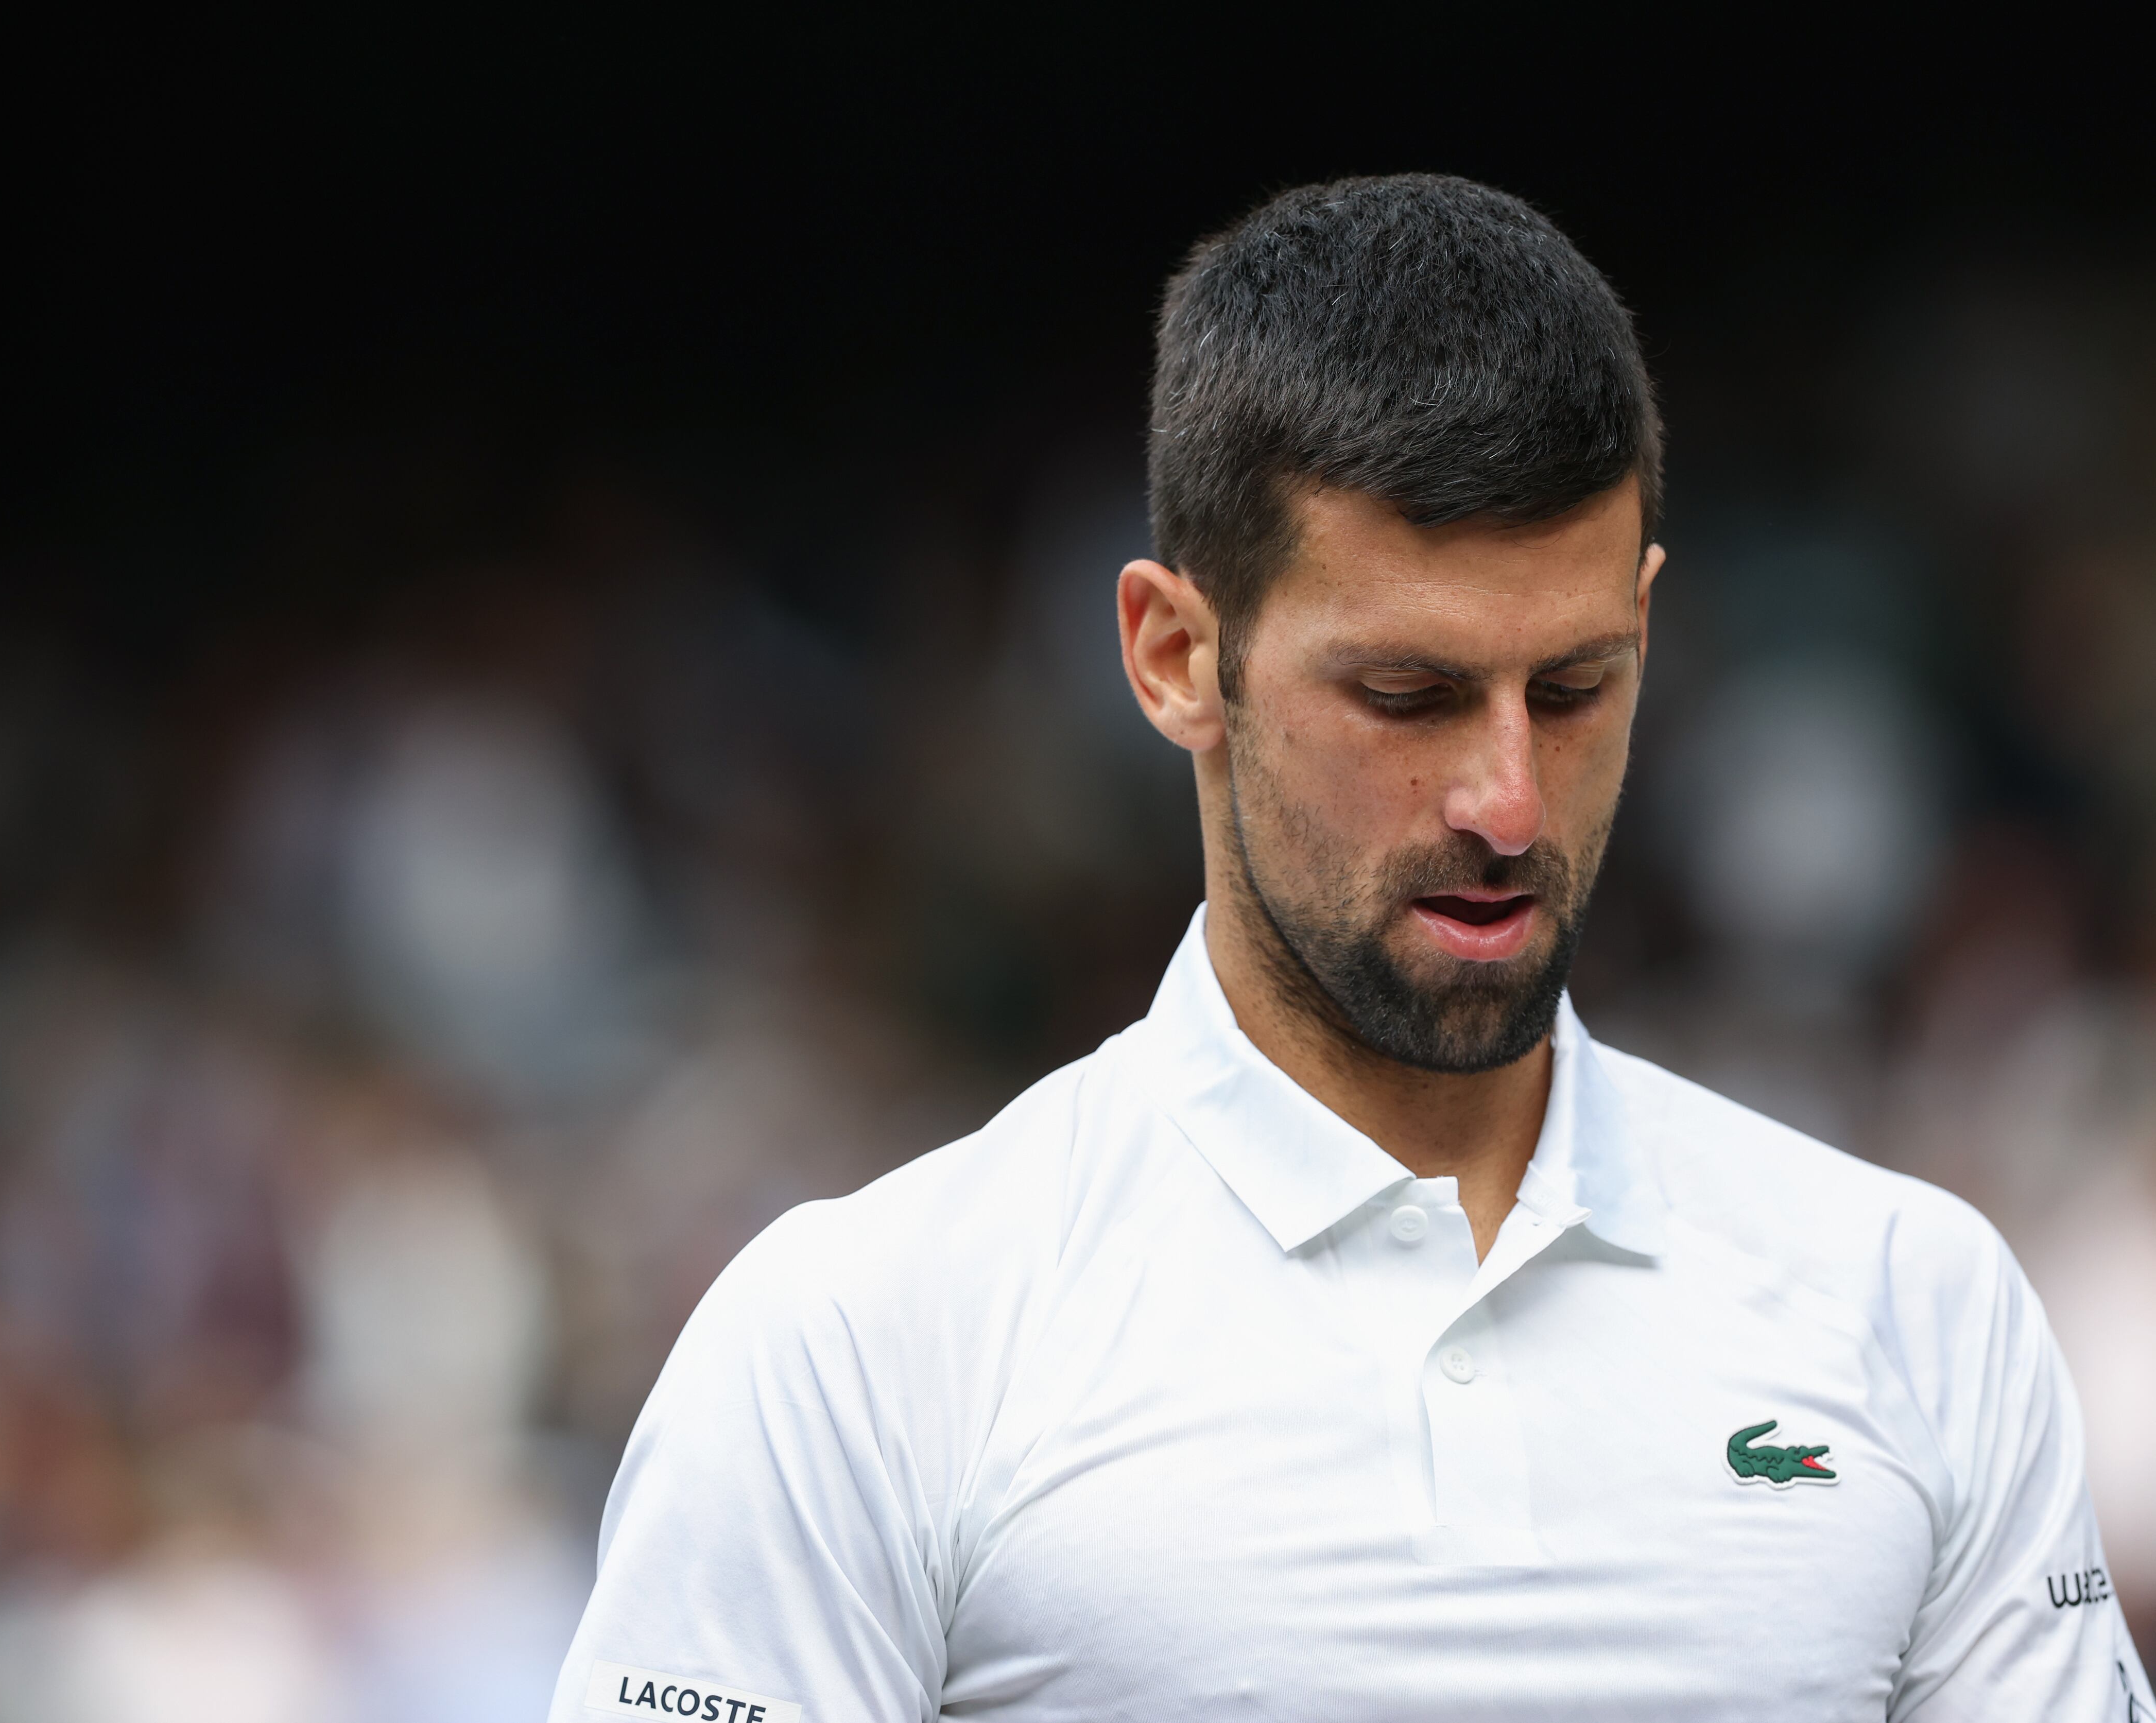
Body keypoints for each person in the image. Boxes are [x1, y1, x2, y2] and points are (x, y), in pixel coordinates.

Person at [548, 175, 2149, 1720]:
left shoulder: (1917, 1302)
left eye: (1578, 687)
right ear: (1178, 657)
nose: (1509, 802)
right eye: (1407, 696)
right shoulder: (863, 1341)